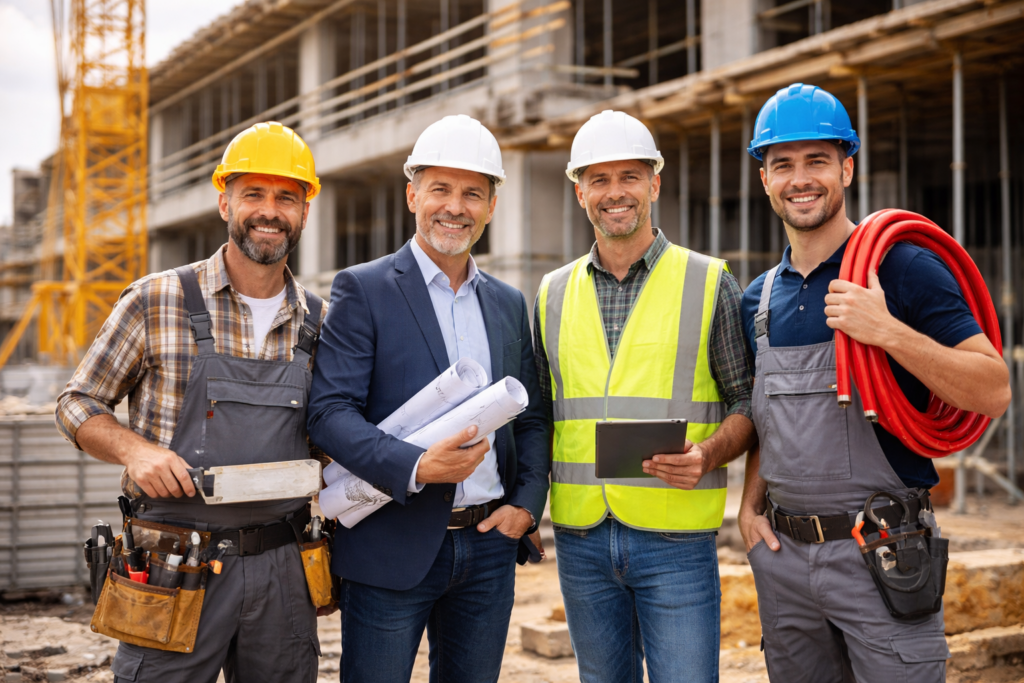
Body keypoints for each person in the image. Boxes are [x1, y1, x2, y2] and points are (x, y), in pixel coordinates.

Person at [739, 83, 1012, 682]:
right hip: (783, 556)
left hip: (883, 552)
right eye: (782, 164)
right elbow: (771, 418)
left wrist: (886, 330)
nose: (800, 178)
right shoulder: (758, 299)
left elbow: (993, 387)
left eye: (817, 161)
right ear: (765, 179)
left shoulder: (902, 267)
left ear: (848, 167)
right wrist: (749, 505)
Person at [55, 121, 330, 682]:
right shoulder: (158, 299)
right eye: (253, 193)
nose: (269, 210)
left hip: (283, 566)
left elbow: (333, 435)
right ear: (224, 199)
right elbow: (77, 401)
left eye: (287, 197)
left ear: (304, 210)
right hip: (172, 565)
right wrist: (135, 452)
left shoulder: (321, 321)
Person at [306, 114, 550, 683]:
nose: (455, 207)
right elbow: (329, 413)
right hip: (390, 545)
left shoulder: (510, 303)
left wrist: (526, 505)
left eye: (473, 193)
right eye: (440, 189)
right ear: (413, 194)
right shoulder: (362, 289)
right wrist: (415, 465)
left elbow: (533, 416)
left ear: (492, 206)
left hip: (489, 548)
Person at [533, 110, 756, 682]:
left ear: (654, 184)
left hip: (676, 539)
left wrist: (706, 455)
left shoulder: (708, 282)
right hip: (581, 538)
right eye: (599, 180)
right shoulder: (551, 294)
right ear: (579, 190)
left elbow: (747, 403)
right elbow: (539, 415)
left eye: (629, 176)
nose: (615, 193)